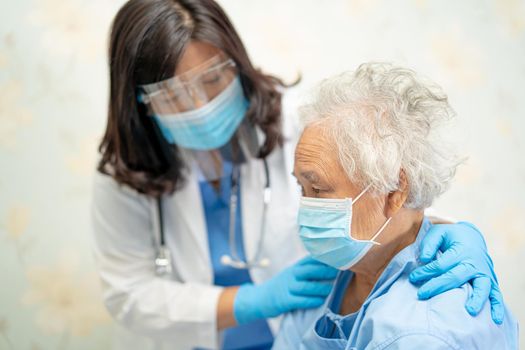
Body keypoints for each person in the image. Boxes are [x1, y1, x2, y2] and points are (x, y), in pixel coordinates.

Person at [91, 1, 504, 349]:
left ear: (237, 62)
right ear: (139, 102)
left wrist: (450, 233)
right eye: (175, 95)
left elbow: (387, 193)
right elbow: (129, 294)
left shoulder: (298, 126)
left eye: (213, 78)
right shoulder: (125, 173)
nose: (201, 104)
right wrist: (249, 302)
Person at [272, 62, 518, 349]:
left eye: (319, 189)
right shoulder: (335, 273)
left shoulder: (424, 334)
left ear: (394, 191)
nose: (306, 208)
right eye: (302, 188)